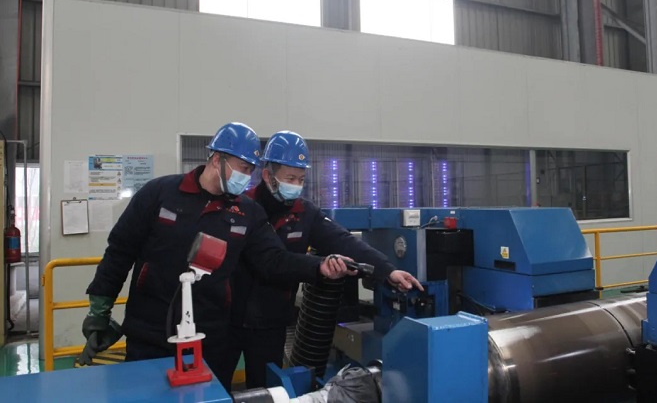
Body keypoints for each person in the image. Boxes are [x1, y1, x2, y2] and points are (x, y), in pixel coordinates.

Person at [79, 122, 355, 390]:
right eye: (243, 168)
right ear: (216, 159)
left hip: (209, 338)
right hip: (148, 333)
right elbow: (119, 252)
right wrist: (99, 312)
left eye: (251, 170)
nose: (247, 176)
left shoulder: (247, 213)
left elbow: (273, 259)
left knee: (209, 397)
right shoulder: (159, 194)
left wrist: (319, 267)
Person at [225, 130, 424, 390]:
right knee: (214, 388)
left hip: (270, 324)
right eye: (290, 178)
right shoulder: (241, 207)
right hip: (226, 320)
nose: (296, 185)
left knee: (266, 391)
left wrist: (387, 271)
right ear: (267, 176)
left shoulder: (304, 213)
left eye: (300, 179)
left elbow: (344, 241)